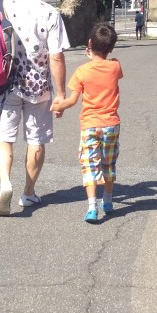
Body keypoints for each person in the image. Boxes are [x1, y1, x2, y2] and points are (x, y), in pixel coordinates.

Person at [0, 0, 69, 216]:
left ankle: (5, 182)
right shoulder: (50, 13)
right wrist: (61, 94)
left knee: (3, 138)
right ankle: (28, 193)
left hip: (4, 82)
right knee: (36, 140)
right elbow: (57, 56)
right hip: (39, 87)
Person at [51, 22, 123, 223]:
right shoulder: (115, 66)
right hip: (111, 123)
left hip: (90, 124)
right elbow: (107, 64)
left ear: (90, 44)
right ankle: (107, 201)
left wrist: (59, 107)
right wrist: (96, 55)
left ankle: (92, 207)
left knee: (90, 166)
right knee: (108, 164)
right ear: (111, 48)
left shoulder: (82, 71)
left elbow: (73, 100)